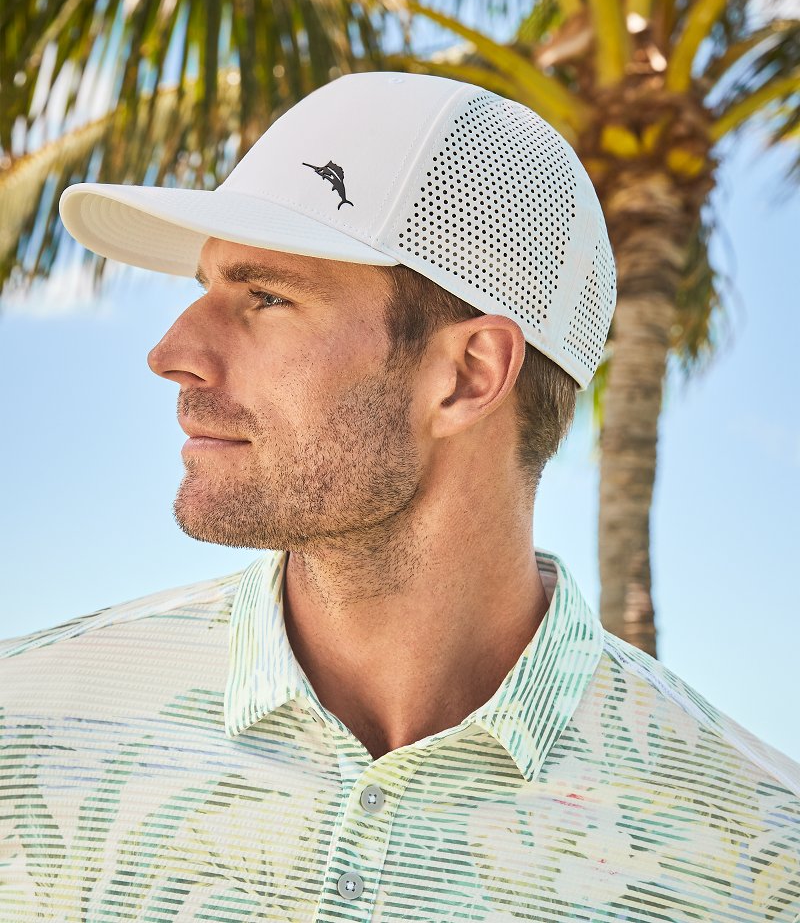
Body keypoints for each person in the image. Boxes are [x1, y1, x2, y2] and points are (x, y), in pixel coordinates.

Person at [1, 72, 798, 922]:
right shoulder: (27, 731)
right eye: (203, 289)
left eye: (266, 297)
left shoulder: (758, 862)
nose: (171, 353)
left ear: (469, 375)